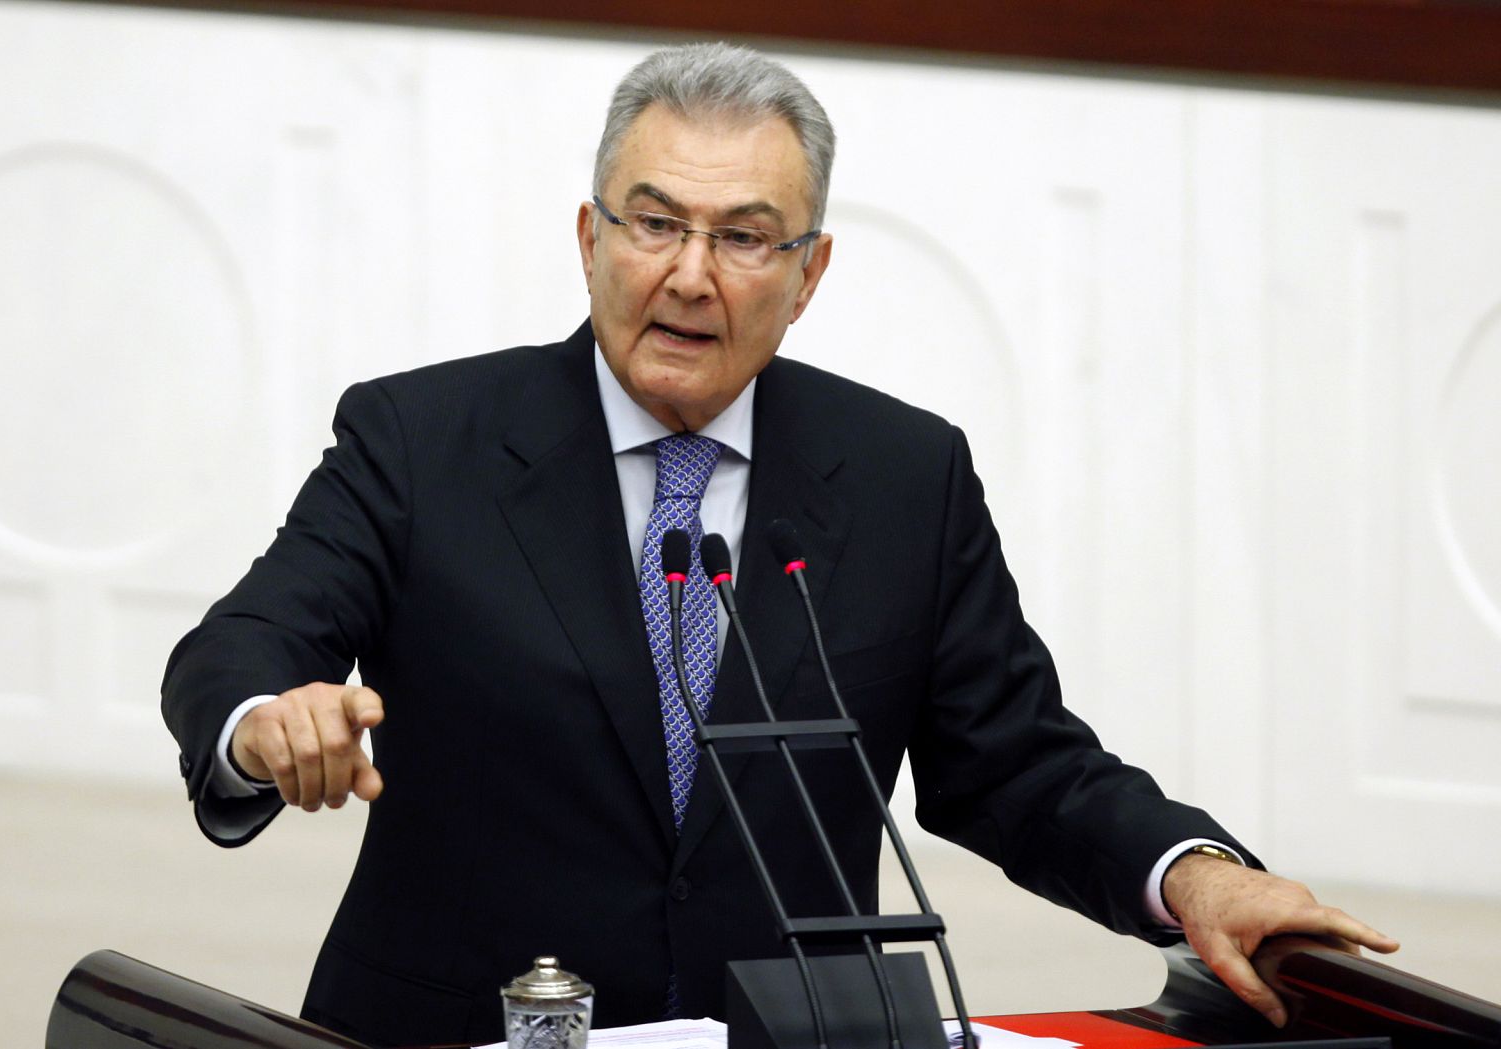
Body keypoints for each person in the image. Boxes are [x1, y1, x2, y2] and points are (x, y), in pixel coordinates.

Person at [162, 42, 1397, 1049]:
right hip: (469, 1030)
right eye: (654, 222)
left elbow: (1019, 762)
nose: (690, 275)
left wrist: (1193, 874)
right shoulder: (423, 438)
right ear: (589, 239)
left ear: (808, 275)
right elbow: (243, 644)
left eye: (745, 237)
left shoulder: (905, 474)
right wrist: (265, 720)